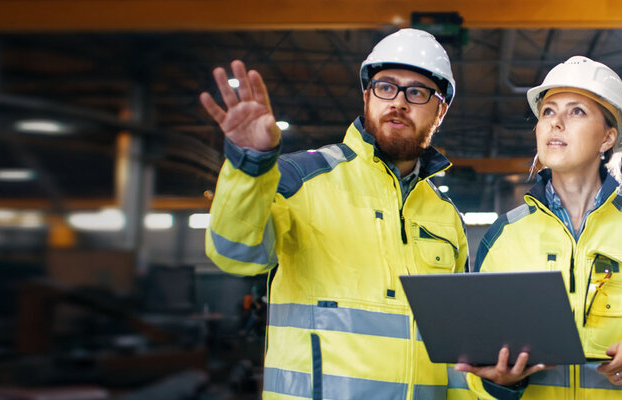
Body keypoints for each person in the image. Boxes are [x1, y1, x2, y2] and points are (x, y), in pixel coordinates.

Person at [200, 28, 473, 399]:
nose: (399, 102)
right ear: (366, 96)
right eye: (386, 87)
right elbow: (233, 253)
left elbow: (457, 345)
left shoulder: (445, 217)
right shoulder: (299, 179)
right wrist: (250, 167)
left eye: (417, 92)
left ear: (440, 111)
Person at [454, 56, 622, 400]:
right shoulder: (502, 236)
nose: (555, 123)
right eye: (547, 111)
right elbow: (476, 351)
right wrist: (500, 381)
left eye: (576, 112)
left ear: (607, 138)